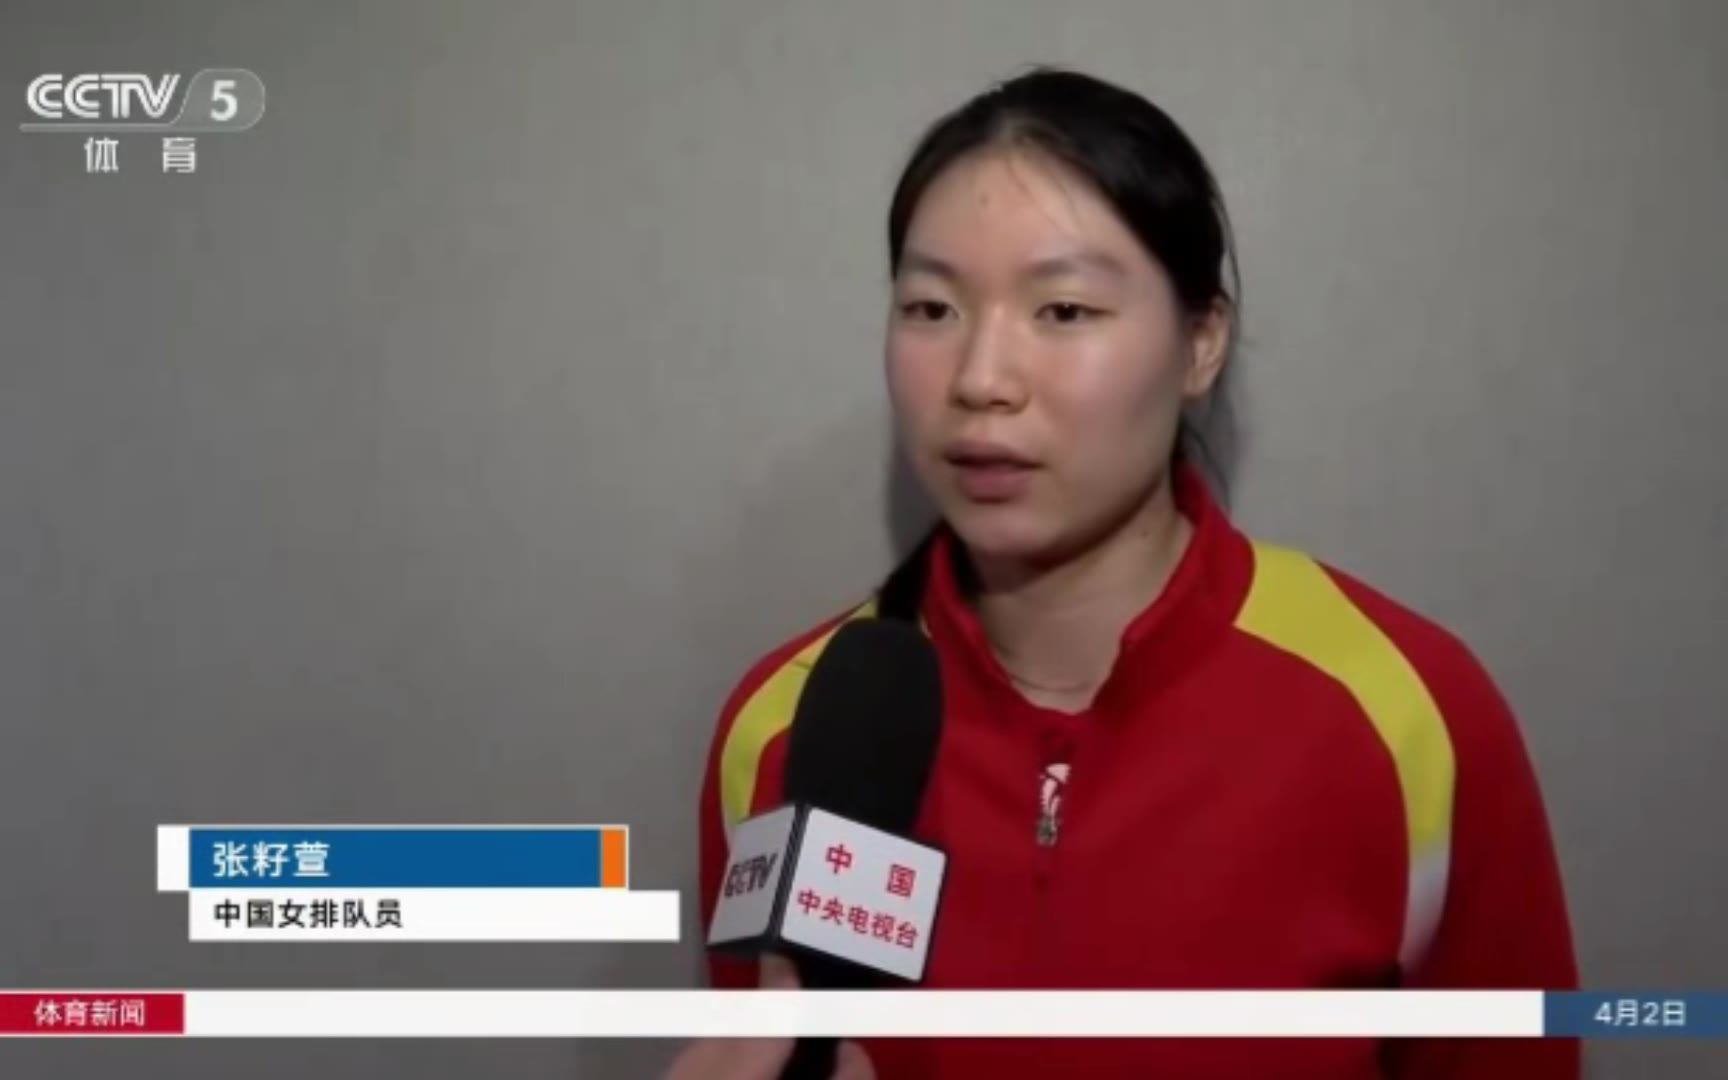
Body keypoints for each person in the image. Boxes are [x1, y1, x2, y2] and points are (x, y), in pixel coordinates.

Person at [680, 66, 1579, 1078]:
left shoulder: (1409, 714)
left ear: (1201, 342)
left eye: (1064, 310)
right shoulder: (790, 729)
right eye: (931, 308)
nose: (981, 379)